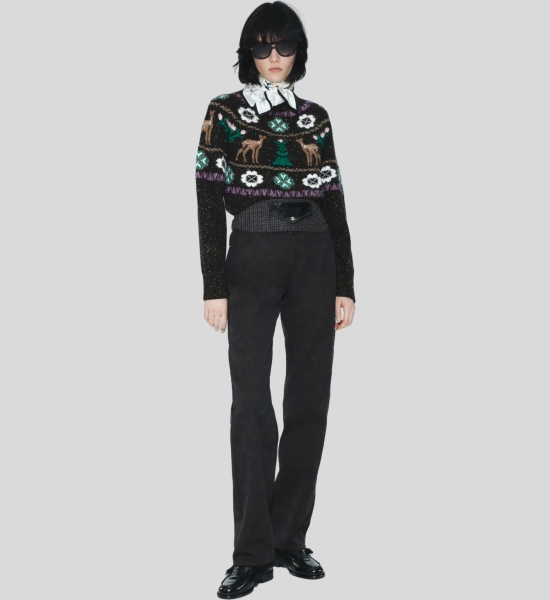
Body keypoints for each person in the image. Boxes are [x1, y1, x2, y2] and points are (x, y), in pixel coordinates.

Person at [194, 2, 356, 597]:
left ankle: (289, 540)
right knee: (250, 404)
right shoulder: (224, 111)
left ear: (298, 52)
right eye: (262, 47)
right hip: (253, 255)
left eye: (284, 46)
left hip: (314, 254)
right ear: (248, 53)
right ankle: (251, 553)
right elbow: (207, 196)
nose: (274, 58)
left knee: (310, 398)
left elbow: (334, 195)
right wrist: (214, 284)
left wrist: (345, 281)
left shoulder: (316, 117)